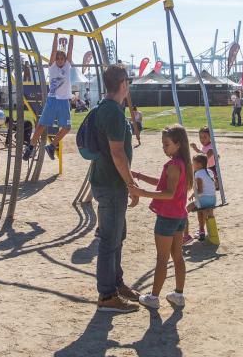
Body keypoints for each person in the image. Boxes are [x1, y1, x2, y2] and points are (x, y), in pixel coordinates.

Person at [91, 64, 142, 312]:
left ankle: (116, 283)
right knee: (110, 239)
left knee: (117, 236)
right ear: (123, 84)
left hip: (111, 182)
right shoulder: (111, 111)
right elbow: (118, 153)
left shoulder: (108, 108)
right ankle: (106, 294)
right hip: (111, 183)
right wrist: (131, 184)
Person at [129, 124, 192, 309]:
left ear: (178, 144)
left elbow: (168, 193)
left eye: (166, 144)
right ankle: (178, 294)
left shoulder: (173, 165)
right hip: (180, 216)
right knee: (177, 256)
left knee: (162, 259)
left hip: (167, 217)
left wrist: (142, 193)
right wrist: (139, 175)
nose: (164, 148)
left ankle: (153, 297)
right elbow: (162, 183)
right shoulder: (183, 163)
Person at [25, 34, 74, 161]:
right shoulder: (52, 68)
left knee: (67, 127)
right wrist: (55, 36)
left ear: (65, 60)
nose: (59, 60)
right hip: (52, 100)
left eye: (62, 58)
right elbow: (53, 51)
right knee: (42, 125)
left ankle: (51, 146)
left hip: (64, 101)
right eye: (58, 58)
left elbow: (70, 51)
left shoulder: (68, 67)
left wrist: (72, 37)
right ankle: (30, 147)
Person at [186, 153, 216, 242]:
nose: (192, 165)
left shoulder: (198, 173)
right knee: (203, 210)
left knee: (186, 210)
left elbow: (200, 191)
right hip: (213, 199)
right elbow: (214, 185)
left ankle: (187, 234)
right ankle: (211, 233)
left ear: (199, 164)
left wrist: (193, 194)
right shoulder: (210, 171)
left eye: (193, 163)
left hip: (204, 199)